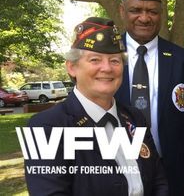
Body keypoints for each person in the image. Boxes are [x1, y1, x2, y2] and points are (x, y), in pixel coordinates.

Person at [25, 17, 168, 195]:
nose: (107, 68)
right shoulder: (47, 128)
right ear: (72, 67)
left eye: (115, 61)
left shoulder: (134, 118)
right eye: (95, 60)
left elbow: (158, 182)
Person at [114, 0, 184, 196]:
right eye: (136, 10)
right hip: (115, 175)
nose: (144, 18)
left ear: (161, 14)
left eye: (152, 11)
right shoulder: (105, 58)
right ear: (122, 11)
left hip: (173, 176)